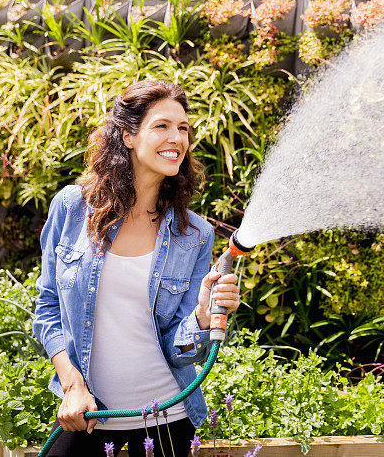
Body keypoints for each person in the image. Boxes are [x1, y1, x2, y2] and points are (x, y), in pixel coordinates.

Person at [33, 79, 241, 456]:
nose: (176, 138)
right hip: (92, 413)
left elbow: (180, 349)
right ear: (128, 136)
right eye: (161, 126)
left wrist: (202, 316)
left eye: (183, 128)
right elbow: (47, 309)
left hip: (167, 415)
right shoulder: (72, 208)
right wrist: (72, 384)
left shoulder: (194, 234)